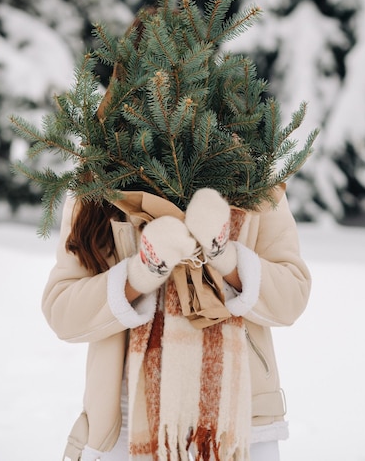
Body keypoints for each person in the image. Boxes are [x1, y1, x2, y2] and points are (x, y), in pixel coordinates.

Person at [42, 181, 311, 461]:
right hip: (127, 428)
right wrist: (141, 273)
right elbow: (63, 311)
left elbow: (291, 297)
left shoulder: (254, 170)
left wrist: (225, 255)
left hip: (240, 426)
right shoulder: (100, 172)